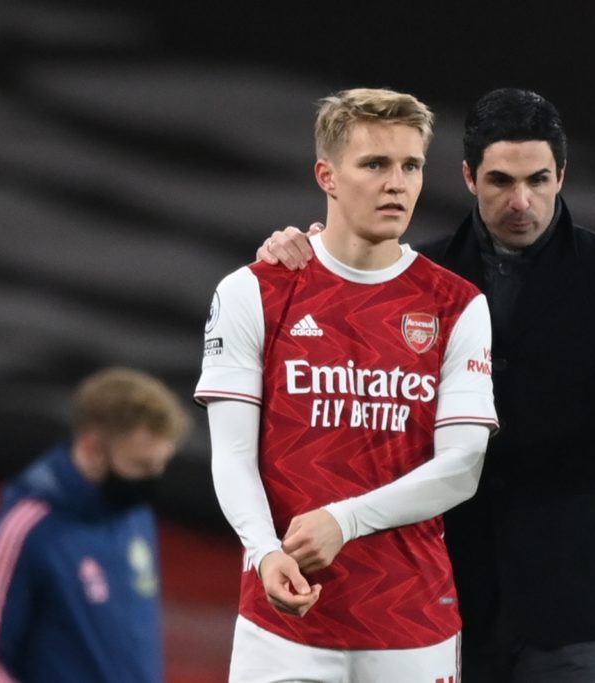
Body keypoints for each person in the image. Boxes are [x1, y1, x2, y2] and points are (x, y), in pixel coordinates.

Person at [256, 87, 595, 682]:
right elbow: (339, 381)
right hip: (441, 590)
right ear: (469, 177)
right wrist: (293, 256)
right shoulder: (414, 275)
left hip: (574, 600)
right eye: (502, 180)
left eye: (539, 180)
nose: (522, 201)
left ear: (562, 176)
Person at [195, 87, 497, 683]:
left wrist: (346, 521)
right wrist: (263, 552)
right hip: (282, 627)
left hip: (411, 628)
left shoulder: (457, 305)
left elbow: (463, 466)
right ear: (326, 175)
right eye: (375, 164)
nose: (398, 183)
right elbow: (231, 455)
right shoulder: (254, 291)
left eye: (411, 165)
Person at [0, 367, 190, 683]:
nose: (152, 479)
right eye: (141, 465)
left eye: (160, 466)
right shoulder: (25, 529)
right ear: (91, 448)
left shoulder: (136, 517)